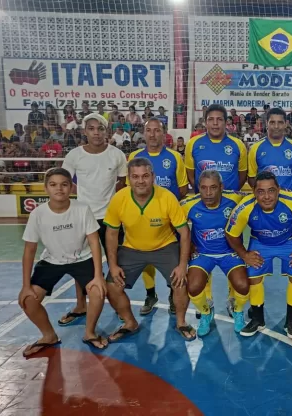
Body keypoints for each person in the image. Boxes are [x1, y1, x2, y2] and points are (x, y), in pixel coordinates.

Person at [103, 157, 195, 342]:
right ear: (129, 179)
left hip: (165, 246)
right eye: (135, 177)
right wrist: (113, 265)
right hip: (132, 249)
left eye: (145, 176)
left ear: (153, 176)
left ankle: (181, 322)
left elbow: (184, 233)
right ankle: (130, 323)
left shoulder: (167, 197)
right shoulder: (119, 199)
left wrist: (182, 265)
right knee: (111, 286)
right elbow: (111, 234)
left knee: (180, 281)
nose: (140, 181)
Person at [19, 168, 108, 357]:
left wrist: (99, 276)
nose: (59, 189)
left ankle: (90, 333)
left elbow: (94, 242)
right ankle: (48, 335)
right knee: (27, 300)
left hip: (82, 259)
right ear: (46, 188)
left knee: (98, 292)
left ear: (71, 187)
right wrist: (26, 286)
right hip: (52, 260)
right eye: (53, 185)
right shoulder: (38, 214)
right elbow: (29, 250)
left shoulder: (82, 209)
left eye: (64, 184)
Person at [59, 113, 127, 326]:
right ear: (85, 131)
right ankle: (81, 305)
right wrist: (80, 202)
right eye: (91, 128)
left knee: (116, 264)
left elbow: (123, 182)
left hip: (110, 220)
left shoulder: (117, 155)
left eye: (100, 128)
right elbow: (64, 180)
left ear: (106, 131)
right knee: (81, 263)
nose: (96, 132)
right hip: (83, 219)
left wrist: (112, 204)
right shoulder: (74, 155)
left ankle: (118, 303)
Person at [225, 172, 292, 340]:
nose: (267, 197)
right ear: (254, 192)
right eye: (261, 192)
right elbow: (230, 234)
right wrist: (245, 254)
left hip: (290, 241)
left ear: (278, 190)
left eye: (271, 191)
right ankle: (258, 319)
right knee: (254, 277)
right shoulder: (245, 207)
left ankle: (290, 322)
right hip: (261, 242)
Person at [127, 117, 189, 315]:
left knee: (171, 256)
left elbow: (182, 188)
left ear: (164, 134)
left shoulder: (174, 157)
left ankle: (173, 294)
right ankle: (150, 293)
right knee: (145, 255)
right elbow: (131, 189)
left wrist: (166, 208)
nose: (153, 134)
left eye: (157, 130)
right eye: (149, 130)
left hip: (169, 218)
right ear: (144, 134)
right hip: (142, 217)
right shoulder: (134, 157)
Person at [181, 170, 250, 336]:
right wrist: (187, 244)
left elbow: (257, 197)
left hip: (229, 252)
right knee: (193, 286)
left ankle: (237, 310)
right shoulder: (188, 204)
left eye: (213, 188)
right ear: (198, 188)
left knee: (243, 285)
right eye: (203, 188)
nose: (208, 193)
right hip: (203, 253)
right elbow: (173, 224)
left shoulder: (235, 198)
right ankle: (206, 312)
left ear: (221, 187)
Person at [185, 104, 247, 192]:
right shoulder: (192, 143)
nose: (215, 123)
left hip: (232, 202)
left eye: (219, 119)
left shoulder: (238, 145)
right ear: (206, 123)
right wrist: (205, 193)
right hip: (203, 200)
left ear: (226, 123)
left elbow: (242, 176)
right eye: (210, 119)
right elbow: (190, 176)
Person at [248, 108, 292, 192]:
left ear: (286, 124)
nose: (276, 126)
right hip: (265, 201)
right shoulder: (255, 148)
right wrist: (264, 195)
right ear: (267, 123)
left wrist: (290, 194)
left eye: (280, 122)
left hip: (288, 201)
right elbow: (251, 178)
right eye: (272, 122)